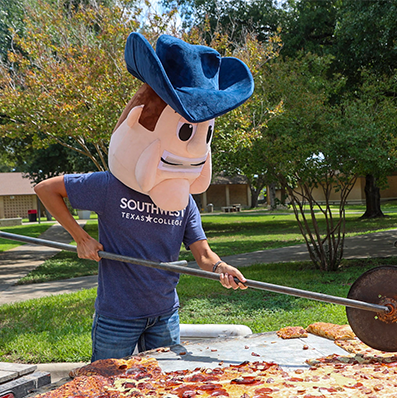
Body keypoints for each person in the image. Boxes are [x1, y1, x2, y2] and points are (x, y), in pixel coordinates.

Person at [34, 33, 252, 361]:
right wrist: (81, 237)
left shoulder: (184, 200)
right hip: (117, 316)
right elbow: (45, 189)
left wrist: (221, 267)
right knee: (106, 388)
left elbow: (203, 254)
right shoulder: (108, 187)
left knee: (165, 388)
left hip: (165, 313)